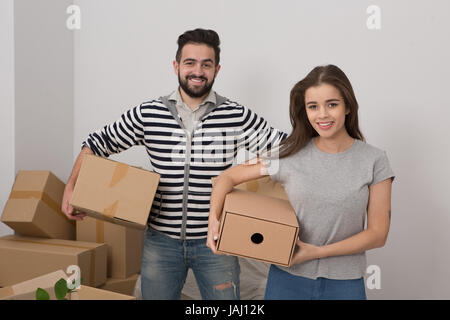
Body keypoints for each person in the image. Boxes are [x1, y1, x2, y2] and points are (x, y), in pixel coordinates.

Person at [61, 28, 286, 300]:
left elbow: (285, 148)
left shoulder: (235, 115)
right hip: (160, 243)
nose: (198, 71)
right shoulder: (148, 113)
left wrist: (246, 172)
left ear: (217, 69)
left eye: (207, 64)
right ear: (176, 65)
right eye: (190, 63)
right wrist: (71, 186)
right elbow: (97, 142)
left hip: (215, 242)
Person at [207, 64, 395, 300]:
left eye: (332, 104)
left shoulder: (374, 160)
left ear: (347, 106)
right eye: (313, 106)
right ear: (305, 111)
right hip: (287, 280)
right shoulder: (289, 155)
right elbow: (228, 177)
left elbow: (378, 234)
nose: (323, 114)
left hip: (345, 284)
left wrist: (317, 252)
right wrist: (213, 220)